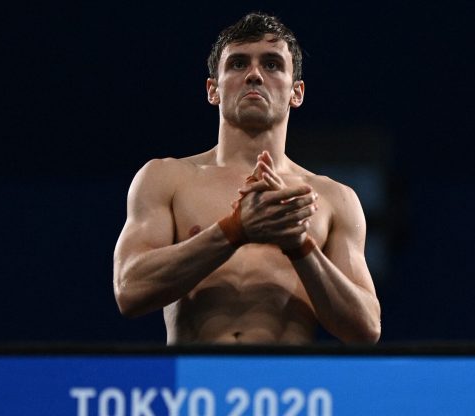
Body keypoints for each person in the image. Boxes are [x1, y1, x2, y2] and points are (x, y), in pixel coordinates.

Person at [112, 13, 381, 344]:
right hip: (197, 389)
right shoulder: (165, 178)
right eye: (238, 64)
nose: (254, 75)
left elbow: (366, 328)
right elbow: (130, 290)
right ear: (214, 90)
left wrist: (299, 246)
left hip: (284, 389)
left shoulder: (334, 199)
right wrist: (234, 230)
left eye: (271, 65)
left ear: (297, 92)